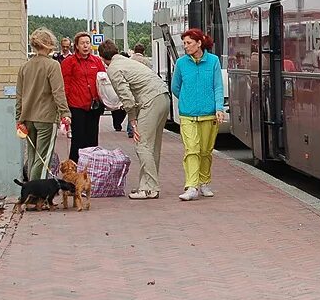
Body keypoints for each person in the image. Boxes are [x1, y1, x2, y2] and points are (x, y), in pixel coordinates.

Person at [98, 40, 170, 200]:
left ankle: (149, 188)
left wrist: (132, 120)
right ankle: (147, 185)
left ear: (102, 58)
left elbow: (126, 97)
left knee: (142, 144)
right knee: (153, 146)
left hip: (150, 100)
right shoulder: (128, 61)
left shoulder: (114, 69)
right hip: (163, 97)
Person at [171, 28, 224, 201]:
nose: (185, 47)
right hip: (187, 115)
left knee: (206, 151)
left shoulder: (213, 61)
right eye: (184, 43)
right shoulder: (181, 63)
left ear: (199, 43)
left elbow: (217, 86)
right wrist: (188, 100)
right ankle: (191, 186)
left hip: (208, 115)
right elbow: (175, 87)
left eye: (189, 43)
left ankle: (204, 182)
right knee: (192, 149)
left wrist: (218, 108)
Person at [15, 28, 71, 180]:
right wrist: (65, 113)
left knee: (33, 156)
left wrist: (18, 118)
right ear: (49, 44)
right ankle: (37, 195)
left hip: (27, 117)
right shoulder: (52, 65)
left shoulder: (24, 67)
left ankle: (30, 193)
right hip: (46, 117)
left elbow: (19, 95)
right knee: (44, 157)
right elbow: (58, 92)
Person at [61, 31, 106, 162]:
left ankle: (91, 169)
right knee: (78, 140)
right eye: (82, 43)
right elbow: (65, 85)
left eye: (88, 43)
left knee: (92, 140)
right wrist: (64, 109)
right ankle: (73, 170)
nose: (86, 46)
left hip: (94, 106)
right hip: (76, 106)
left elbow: (103, 82)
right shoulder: (69, 62)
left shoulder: (97, 61)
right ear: (76, 46)